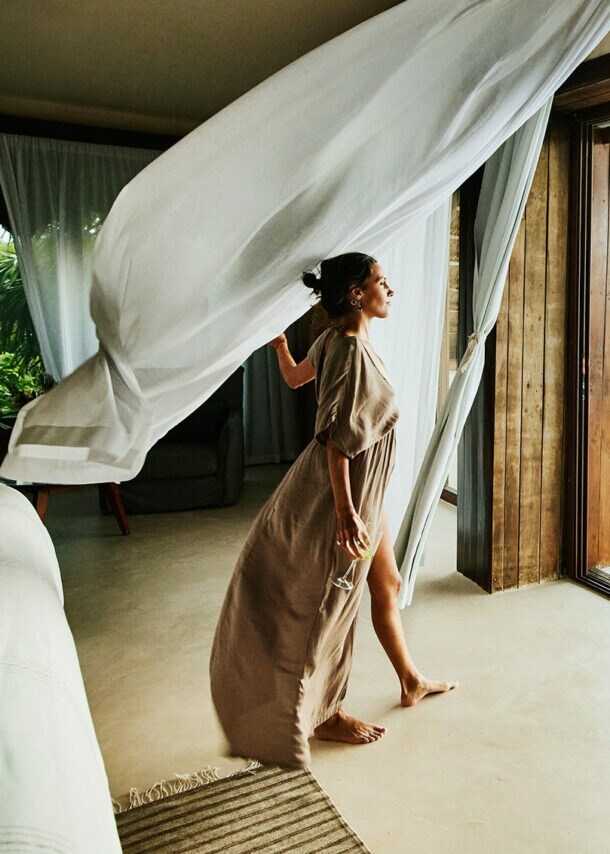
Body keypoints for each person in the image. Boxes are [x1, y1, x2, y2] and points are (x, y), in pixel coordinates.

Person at [210, 252, 456, 769]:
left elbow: (297, 378)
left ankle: (410, 680)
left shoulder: (338, 340)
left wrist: (279, 344)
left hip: (367, 493)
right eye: (381, 283)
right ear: (355, 294)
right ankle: (324, 714)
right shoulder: (346, 350)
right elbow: (337, 443)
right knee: (333, 605)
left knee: (384, 584)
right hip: (345, 494)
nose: (390, 290)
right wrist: (346, 514)